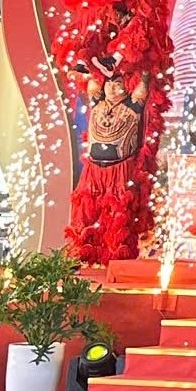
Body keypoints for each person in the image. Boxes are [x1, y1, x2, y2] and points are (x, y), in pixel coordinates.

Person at [68, 74, 149, 263]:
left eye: (117, 84)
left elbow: (144, 80)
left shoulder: (133, 105)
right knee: (86, 214)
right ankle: (81, 256)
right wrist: (95, 64)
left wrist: (142, 70)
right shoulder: (97, 102)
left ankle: (115, 261)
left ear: (127, 87)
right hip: (93, 172)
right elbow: (92, 76)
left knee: (117, 218)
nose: (111, 88)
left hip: (120, 172)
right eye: (109, 84)